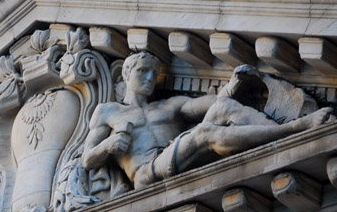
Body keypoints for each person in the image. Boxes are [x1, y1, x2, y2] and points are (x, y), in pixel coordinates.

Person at [82, 52, 333, 190]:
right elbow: (87, 159)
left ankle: (283, 133)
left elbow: (214, 103)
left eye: (153, 73)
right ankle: (297, 128)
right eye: (142, 71)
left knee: (223, 107)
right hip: (147, 172)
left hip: (173, 151)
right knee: (204, 133)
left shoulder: (168, 105)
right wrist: (108, 146)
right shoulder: (108, 111)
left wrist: (234, 84)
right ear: (126, 73)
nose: (149, 78)